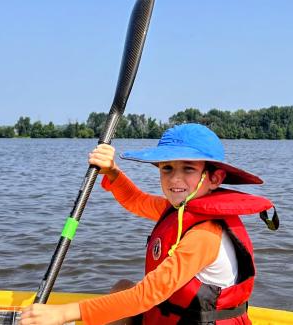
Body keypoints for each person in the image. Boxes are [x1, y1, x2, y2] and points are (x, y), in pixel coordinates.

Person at [21, 123, 277, 325]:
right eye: (166, 168)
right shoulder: (177, 210)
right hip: (173, 317)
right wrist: (111, 171)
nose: (175, 178)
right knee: (122, 287)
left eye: (188, 168)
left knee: (129, 296)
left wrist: (62, 314)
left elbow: (147, 295)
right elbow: (135, 200)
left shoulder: (204, 235)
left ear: (214, 177)